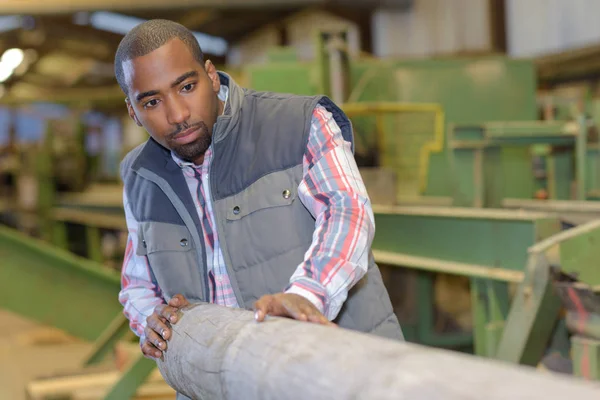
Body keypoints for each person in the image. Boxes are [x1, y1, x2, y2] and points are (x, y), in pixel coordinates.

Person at [116, 19, 403, 367]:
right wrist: (150, 318)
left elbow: (347, 213)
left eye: (187, 87)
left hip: (340, 373)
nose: (177, 114)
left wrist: (307, 297)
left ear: (210, 75)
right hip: (226, 382)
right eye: (151, 103)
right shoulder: (138, 176)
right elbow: (137, 283)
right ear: (132, 111)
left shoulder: (299, 123)